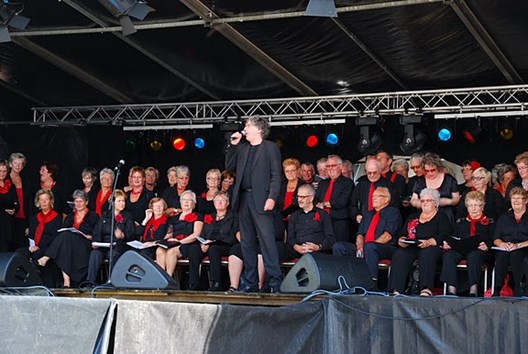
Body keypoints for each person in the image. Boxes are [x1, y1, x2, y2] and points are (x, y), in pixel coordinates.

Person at [226, 115, 283, 293]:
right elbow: (229, 166)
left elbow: (276, 175)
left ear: (259, 129)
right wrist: (233, 146)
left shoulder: (270, 148)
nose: (245, 128)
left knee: (267, 241)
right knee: (247, 242)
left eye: (248, 126)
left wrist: (272, 197)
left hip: (261, 199)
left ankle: (275, 281)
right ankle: (250, 282)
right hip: (243, 199)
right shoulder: (242, 149)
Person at [389, 188, 451, 296]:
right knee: (400, 253)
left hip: (432, 246)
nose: (425, 203)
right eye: (422, 201)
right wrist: (401, 239)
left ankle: (426, 288)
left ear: (435, 202)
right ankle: (396, 289)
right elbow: (402, 233)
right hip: (413, 245)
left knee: (427, 253)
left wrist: (430, 241)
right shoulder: (413, 217)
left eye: (428, 200)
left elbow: (444, 234)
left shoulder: (441, 217)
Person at [333, 187, 402, 282]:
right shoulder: (368, 214)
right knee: (339, 246)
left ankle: (370, 283)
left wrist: (366, 247)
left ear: (386, 200)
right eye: (373, 196)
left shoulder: (393, 212)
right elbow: (360, 234)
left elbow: (387, 236)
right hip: (367, 247)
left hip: (385, 248)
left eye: (377, 196)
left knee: (370, 247)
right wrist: (360, 247)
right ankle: (342, 280)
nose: (373, 198)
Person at [37, 190, 99, 287]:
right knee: (65, 240)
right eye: (76, 201)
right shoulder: (69, 217)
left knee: (66, 236)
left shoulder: (93, 217)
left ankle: (47, 257)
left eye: (81, 201)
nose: (78, 204)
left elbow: (97, 235)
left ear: (86, 202)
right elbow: (63, 231)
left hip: (85, 245)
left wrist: (87, 236)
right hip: (70, 245)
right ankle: (66, 281)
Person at [441, 191, 494, 296]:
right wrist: (447, 243)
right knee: (448, 255)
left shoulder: (490, 222)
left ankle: (473, 289)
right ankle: (452, 289)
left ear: (482, 206)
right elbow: (453, 236)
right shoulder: (460, 222)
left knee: (473, 255)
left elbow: (494, 238)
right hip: (461, 249)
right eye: (470, 205)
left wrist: (487, 246)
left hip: (481, 251)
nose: (473, 208)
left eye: (476, 205)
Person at [188, 191, 239, 291]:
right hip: (207, 243)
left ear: (227, 203)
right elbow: (202, 234)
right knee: (193, 249)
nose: (219, 203)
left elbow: (233, 236)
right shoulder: (209, 216)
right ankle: (193, 283)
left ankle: (216, 283)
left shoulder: (233, 216)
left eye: (222, 200)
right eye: (217, 201)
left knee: (214, 249)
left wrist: (213, 242)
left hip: (224, 245)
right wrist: (203, 243)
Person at [86, 189, 135, 284]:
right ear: (112, 203)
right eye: (119, 201)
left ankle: (112, 282)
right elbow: (97, 231)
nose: (122, 203)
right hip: (104, 244)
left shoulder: (127, 216)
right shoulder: (105, 215)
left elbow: (131, 235)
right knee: (95, 254)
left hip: (118, 245)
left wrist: (122, 235)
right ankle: (90, 282)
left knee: (114, 254)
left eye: (123, 201)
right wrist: (96, 242)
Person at [156, 190, 203, 283]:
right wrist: (165, 240)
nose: (186, 202)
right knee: (160, 250)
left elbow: (196, 234)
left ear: (193, 203)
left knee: (171, 252)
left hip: (188, 243)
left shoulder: (198, 216)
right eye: (184, 200)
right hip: (174, 242)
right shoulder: (174, 218)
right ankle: (160, 278)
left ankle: (168, 280)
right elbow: (169, 233)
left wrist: (180, 242)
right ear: (180, 202)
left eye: (189, 200)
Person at [22, 189, 62, 287]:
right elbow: (31, 235)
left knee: (37, 254)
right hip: (34, 245)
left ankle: (41, 284)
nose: (43, 202)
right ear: (38, 202)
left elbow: (54, 237)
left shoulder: (56, 217)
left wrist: (39, 246)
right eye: (41, 200)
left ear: (51, 201)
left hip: (48, 247)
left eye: (46, 199)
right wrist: (32, 246)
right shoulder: (35, 217)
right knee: (20, 253)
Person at [492, 187, 528, 296]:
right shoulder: (504, 217)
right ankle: (498, 289)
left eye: (518, 198)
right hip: (506, 248)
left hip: (524, 248)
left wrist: (518, 245)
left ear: (526, 200)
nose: (515, 201)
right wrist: (503, 244)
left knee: (516, 254)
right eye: (513, 198)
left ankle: (519, 288)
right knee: (502, 255)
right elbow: (496, 238)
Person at [285, 184, 335, 259]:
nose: (299, 200)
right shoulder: (294, 216)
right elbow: (291, 237)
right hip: (297, 251)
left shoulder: (323, 215)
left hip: (317, 251)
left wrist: (318, 247)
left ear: (311, 198)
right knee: (278, 248)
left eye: (303, 197)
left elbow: (330, 238)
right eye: (298, 196)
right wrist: (296, 247)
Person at [410, 153, 460, 225]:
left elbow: (456, 199)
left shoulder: (449, 180)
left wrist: (447, 201)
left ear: (438, 167)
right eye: (427, 171)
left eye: (432, 170)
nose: (430, 173)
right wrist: (419, 203)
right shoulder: (420, 181)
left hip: (446, 215)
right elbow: (413, 199)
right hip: (426, 216)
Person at [315, 154, 354, 242]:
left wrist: (324, 204)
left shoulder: (348, 183)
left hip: (338, 222)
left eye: (333, 166)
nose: (330, 168)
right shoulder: (322, 184)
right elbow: (316, 199)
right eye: (328, 166)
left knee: (338, 248)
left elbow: (342, 201)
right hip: (322, 221)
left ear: (340, 167)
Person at [349, 158, 396, 225]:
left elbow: (393, 205)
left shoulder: (389, 185)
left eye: (374, 172)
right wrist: (356, 215)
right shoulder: (361, 184)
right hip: (362, 221)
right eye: (369, 173)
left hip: (382, 222)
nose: (372, 175)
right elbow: (352, 203)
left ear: (380, 170)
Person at [8, 152, 31, 250]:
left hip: (23, 218)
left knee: (22, 248)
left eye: (21, 163)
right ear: (10, 164)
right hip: (9, 218)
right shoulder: (5, 179)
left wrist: (29, 224)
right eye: (16, 163)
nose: (18, 165)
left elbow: (30, 202)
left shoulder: (26, 180)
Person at [0, 160, 18, 252]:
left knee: (7, 249)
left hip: (9, 223)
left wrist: (14, 209)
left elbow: (16, 201)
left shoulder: (10, 185)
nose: (2, 174)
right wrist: (3, 210)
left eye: (4, 171)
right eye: (0, 171)